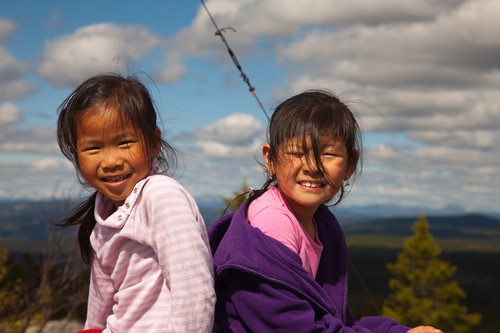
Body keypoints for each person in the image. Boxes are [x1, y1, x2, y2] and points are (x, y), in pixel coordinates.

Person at [208, 90, 442, 333]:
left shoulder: (323, 224)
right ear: (270, 159)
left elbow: (336, 319)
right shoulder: (271, 222)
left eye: (328, 154)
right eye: (297, 153)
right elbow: (293, 327)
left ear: (350, 164)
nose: (312, 166)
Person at [57, 74, 215, 332]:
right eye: (93, 148)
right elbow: (100, 305)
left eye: (124, 143)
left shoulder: (162, 197)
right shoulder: (102, 217)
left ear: (153, 142)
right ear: (77, 155)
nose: (110, 161)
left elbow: (195, 292)